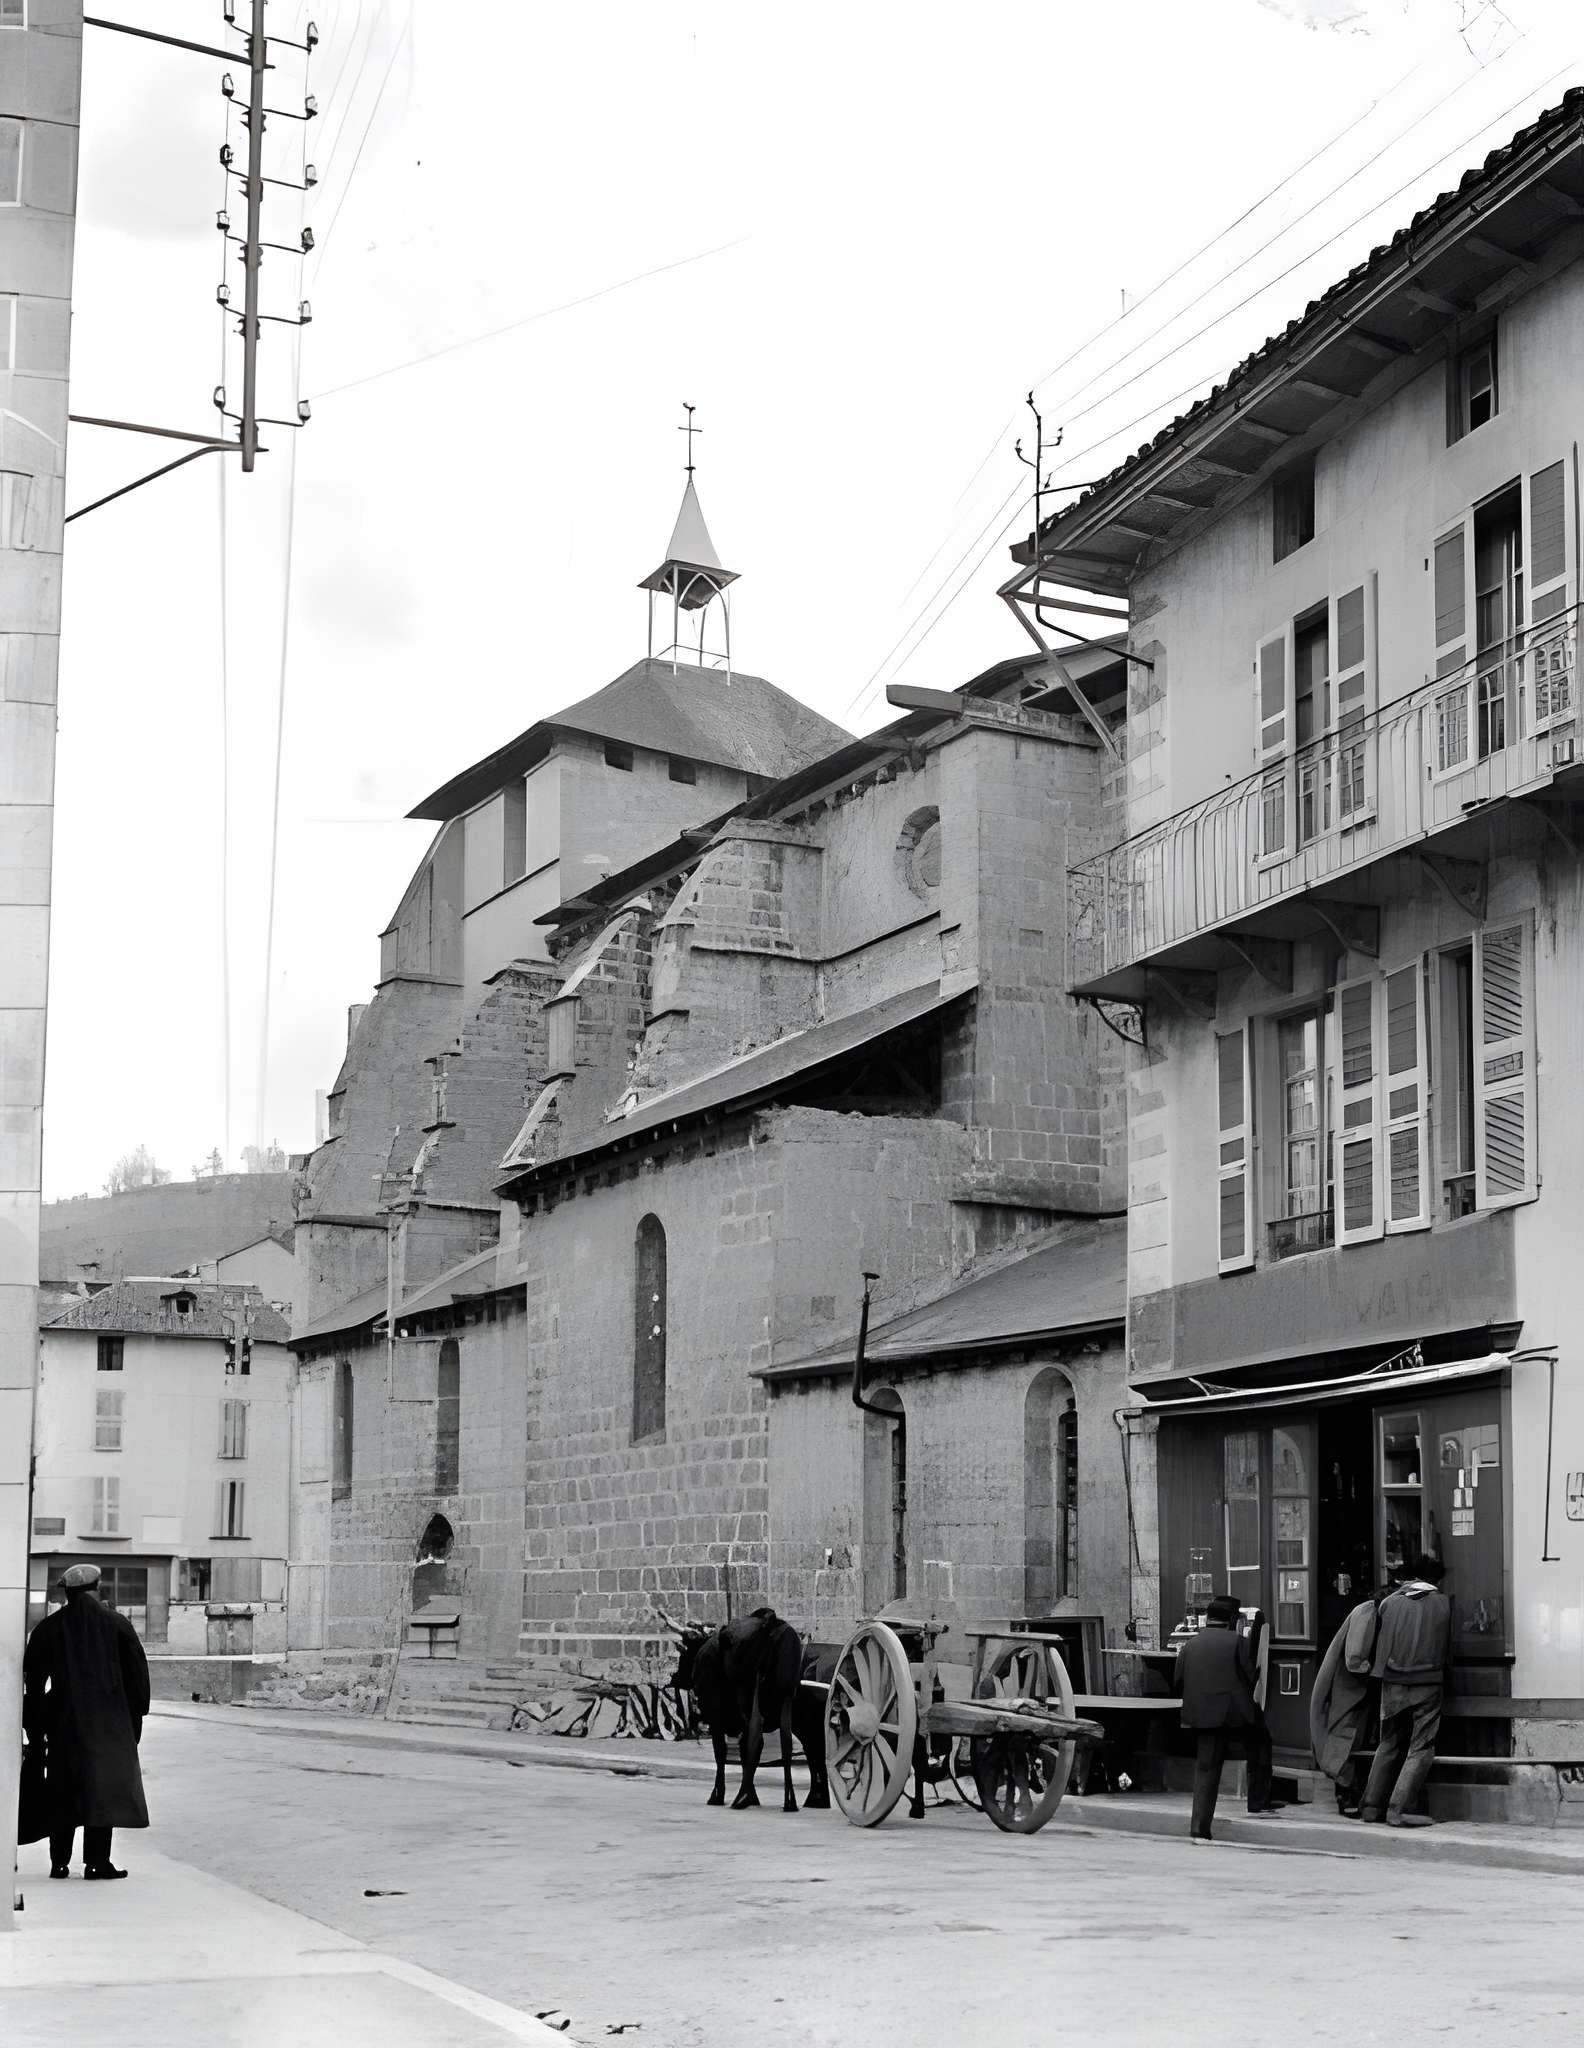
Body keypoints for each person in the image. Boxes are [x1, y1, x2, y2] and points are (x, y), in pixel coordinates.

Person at [21, 1561, 151, 1880]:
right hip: (110, 1724)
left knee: (62, 1789)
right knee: (102, 1790)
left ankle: (59, 1863)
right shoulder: (117, 1624)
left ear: (66, 1593)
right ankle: (96, 1862)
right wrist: (133, 1721)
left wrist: (36, 1729)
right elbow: (137, 1679)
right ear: (97, 1588)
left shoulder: (48, 1628)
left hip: (63, 1724)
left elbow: (33, 1684)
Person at [1173, 1592, 1284, 1842]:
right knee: (1260, 1743)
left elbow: (1177, 1681)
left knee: (1206, 1767)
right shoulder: (1237, 1642)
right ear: (1232, 1619)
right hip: (1231, 1715)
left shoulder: (1190, 1645)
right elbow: (1250, 1676)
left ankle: (1200, 1825)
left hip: (1198, 1714)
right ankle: (1257, 1801)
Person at [1358, 1552, 1452, 1829]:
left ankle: (1371, 1806)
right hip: (1428, 1683)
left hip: (1393, 1682)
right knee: (1420, 1747)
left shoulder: (1390, 1603)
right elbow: (1448, 1651)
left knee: (1388, 1743)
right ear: (1436, 1579)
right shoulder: (1443, 1604)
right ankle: (1398, 1809)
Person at [1310, 1569, 1399, 1816]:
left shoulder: (1374, 1613)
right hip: (1350, 1684)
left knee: (1357, 1736)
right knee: (1345, 1734)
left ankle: (1355, 1788)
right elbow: (1354, 1658)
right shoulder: (1366, 1613)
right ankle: (1345, 1790)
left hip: (1363, 1683)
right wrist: (1376, 1672)